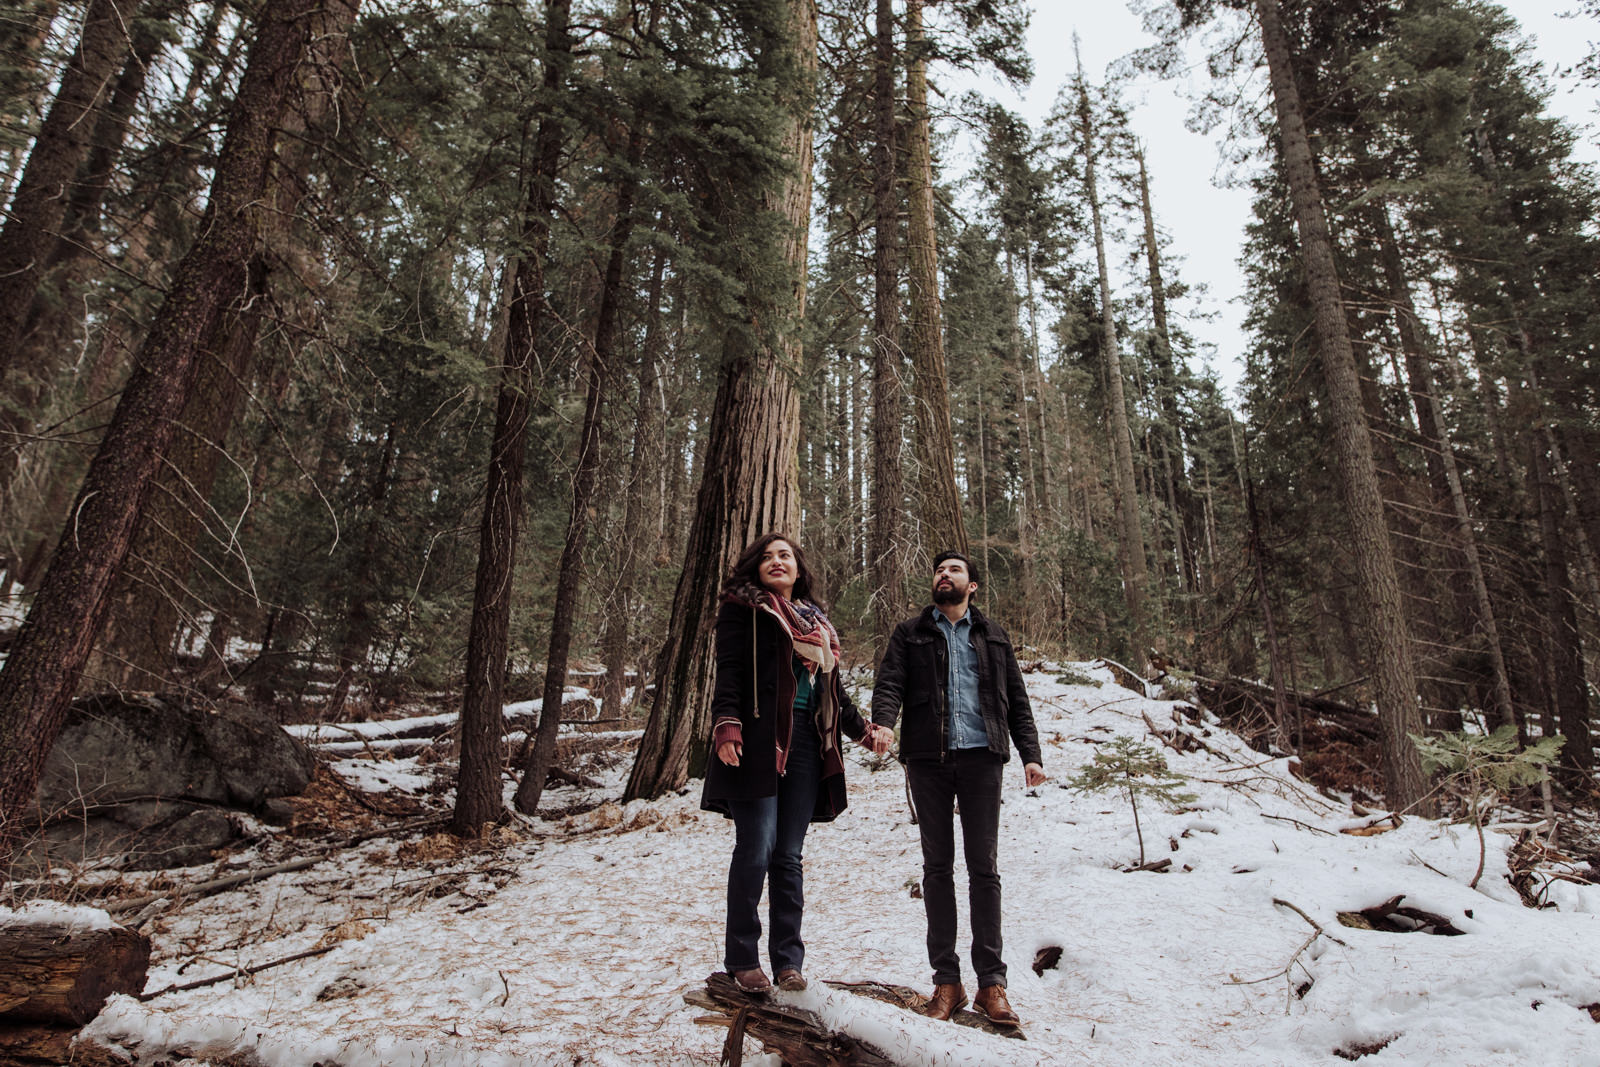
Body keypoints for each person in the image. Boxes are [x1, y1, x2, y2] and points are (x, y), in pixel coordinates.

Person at [702, 533, 894, 994]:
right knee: (757, 846)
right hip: (757, 741)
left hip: (808, 744)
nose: (777, 561)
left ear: (798, 568)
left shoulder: (816, 623)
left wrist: (864, 732)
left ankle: (788, 962)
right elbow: (729, 672)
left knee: (788, 856)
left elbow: (833, 693)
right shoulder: (743, 610)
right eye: (767, 557)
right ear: (755, 567)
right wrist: (726, 723)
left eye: (785, 555)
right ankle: (742, 959)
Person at [871, 550, 1045, 1027]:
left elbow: (1016, 700)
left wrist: (1030, 754)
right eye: (939, 570)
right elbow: (889, 684)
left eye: (954, 570)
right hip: (927, 759)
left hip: (982, 759)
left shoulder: (992, 635)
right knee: (937, 870)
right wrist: (884, 723)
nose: (943, 574)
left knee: (984, 870)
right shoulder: (910, 633)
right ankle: (947, 982)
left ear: (972, 586)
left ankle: (991, 985)